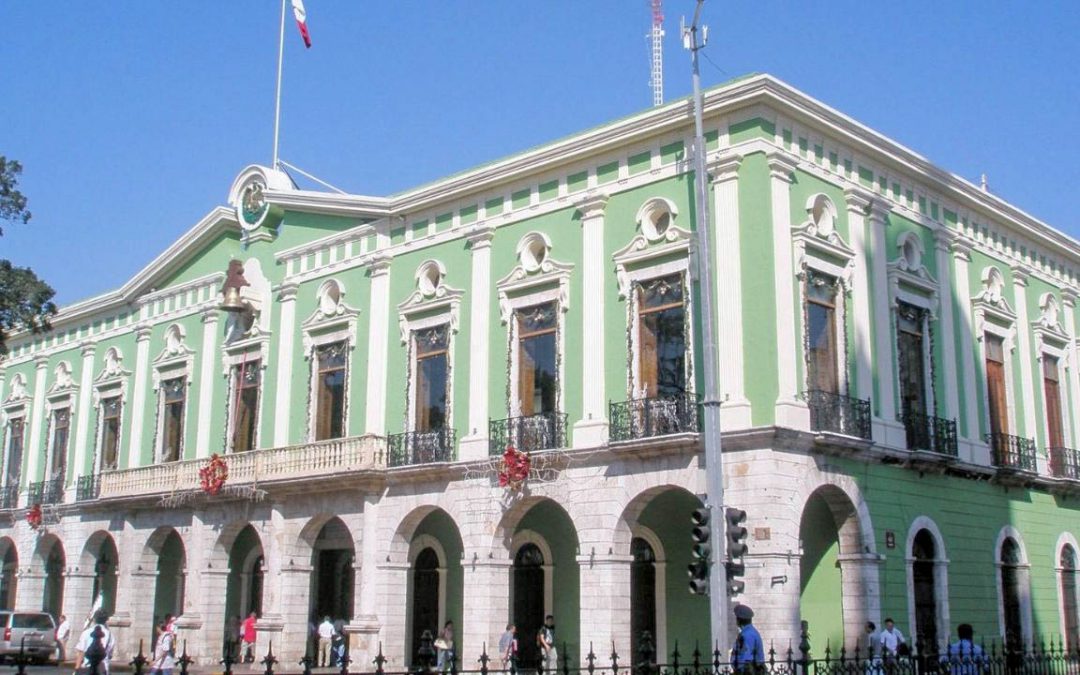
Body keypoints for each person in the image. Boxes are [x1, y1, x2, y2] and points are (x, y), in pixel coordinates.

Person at [74, 610, 116, 675]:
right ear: (106, 620)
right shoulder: (110, 635)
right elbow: (110, 654)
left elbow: (81, 652)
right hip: (103, 669)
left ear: (94, 619)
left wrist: (77, 669)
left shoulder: (86, 633)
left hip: (87, 668)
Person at [730, 604, 764, 675]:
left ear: (739, 619)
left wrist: (739, 670)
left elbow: (746, 658)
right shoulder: (748, 632)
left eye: (737, 618)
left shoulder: (747, 634)